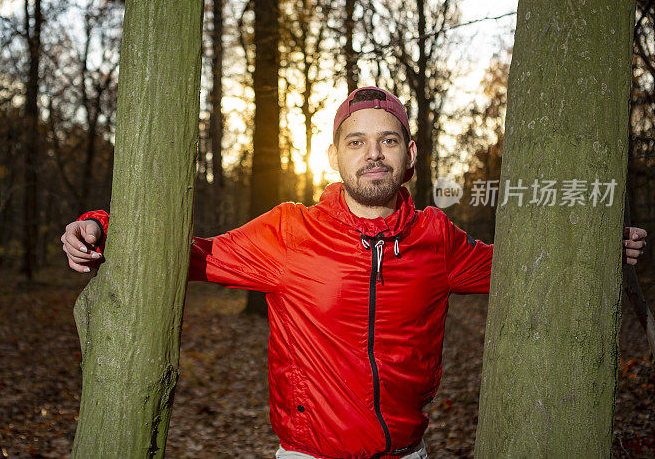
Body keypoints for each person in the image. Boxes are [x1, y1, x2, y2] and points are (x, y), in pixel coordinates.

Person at [61, 87, 648, 459]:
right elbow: (183, 251)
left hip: (409, 453)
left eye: (388, 140)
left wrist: (598, 246)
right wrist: (100, 229)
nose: (374, 154)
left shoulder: (436, 239)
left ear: (409, 154)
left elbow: (527, 268)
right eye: (357, 142)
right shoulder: (289, 232)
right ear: (336, 155)